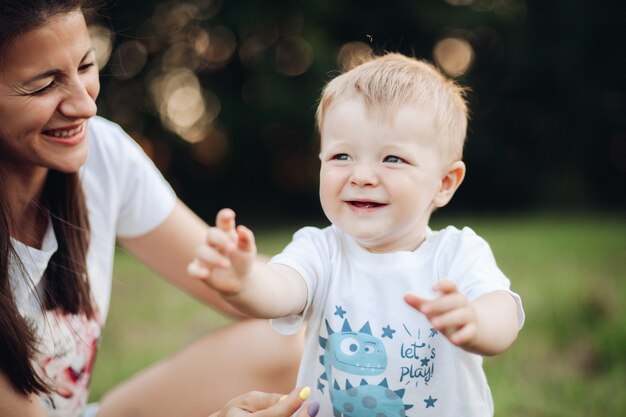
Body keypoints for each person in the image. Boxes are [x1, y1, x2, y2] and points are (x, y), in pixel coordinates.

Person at [0, 1, 313, 416]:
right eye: (44, 86)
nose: (85, 106)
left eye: (86, 66)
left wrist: (377, 282)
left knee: (291, 338)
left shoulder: (102, 153)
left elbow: (238, 284)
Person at [188, 53, 526, 416]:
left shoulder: (457, 253)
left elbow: (502, 312)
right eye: (342, 156)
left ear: (444, 183)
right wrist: (244, 281)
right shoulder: (321, 250)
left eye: (392, 159)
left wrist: (475, 321)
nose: (361, 175)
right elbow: (281, 289)